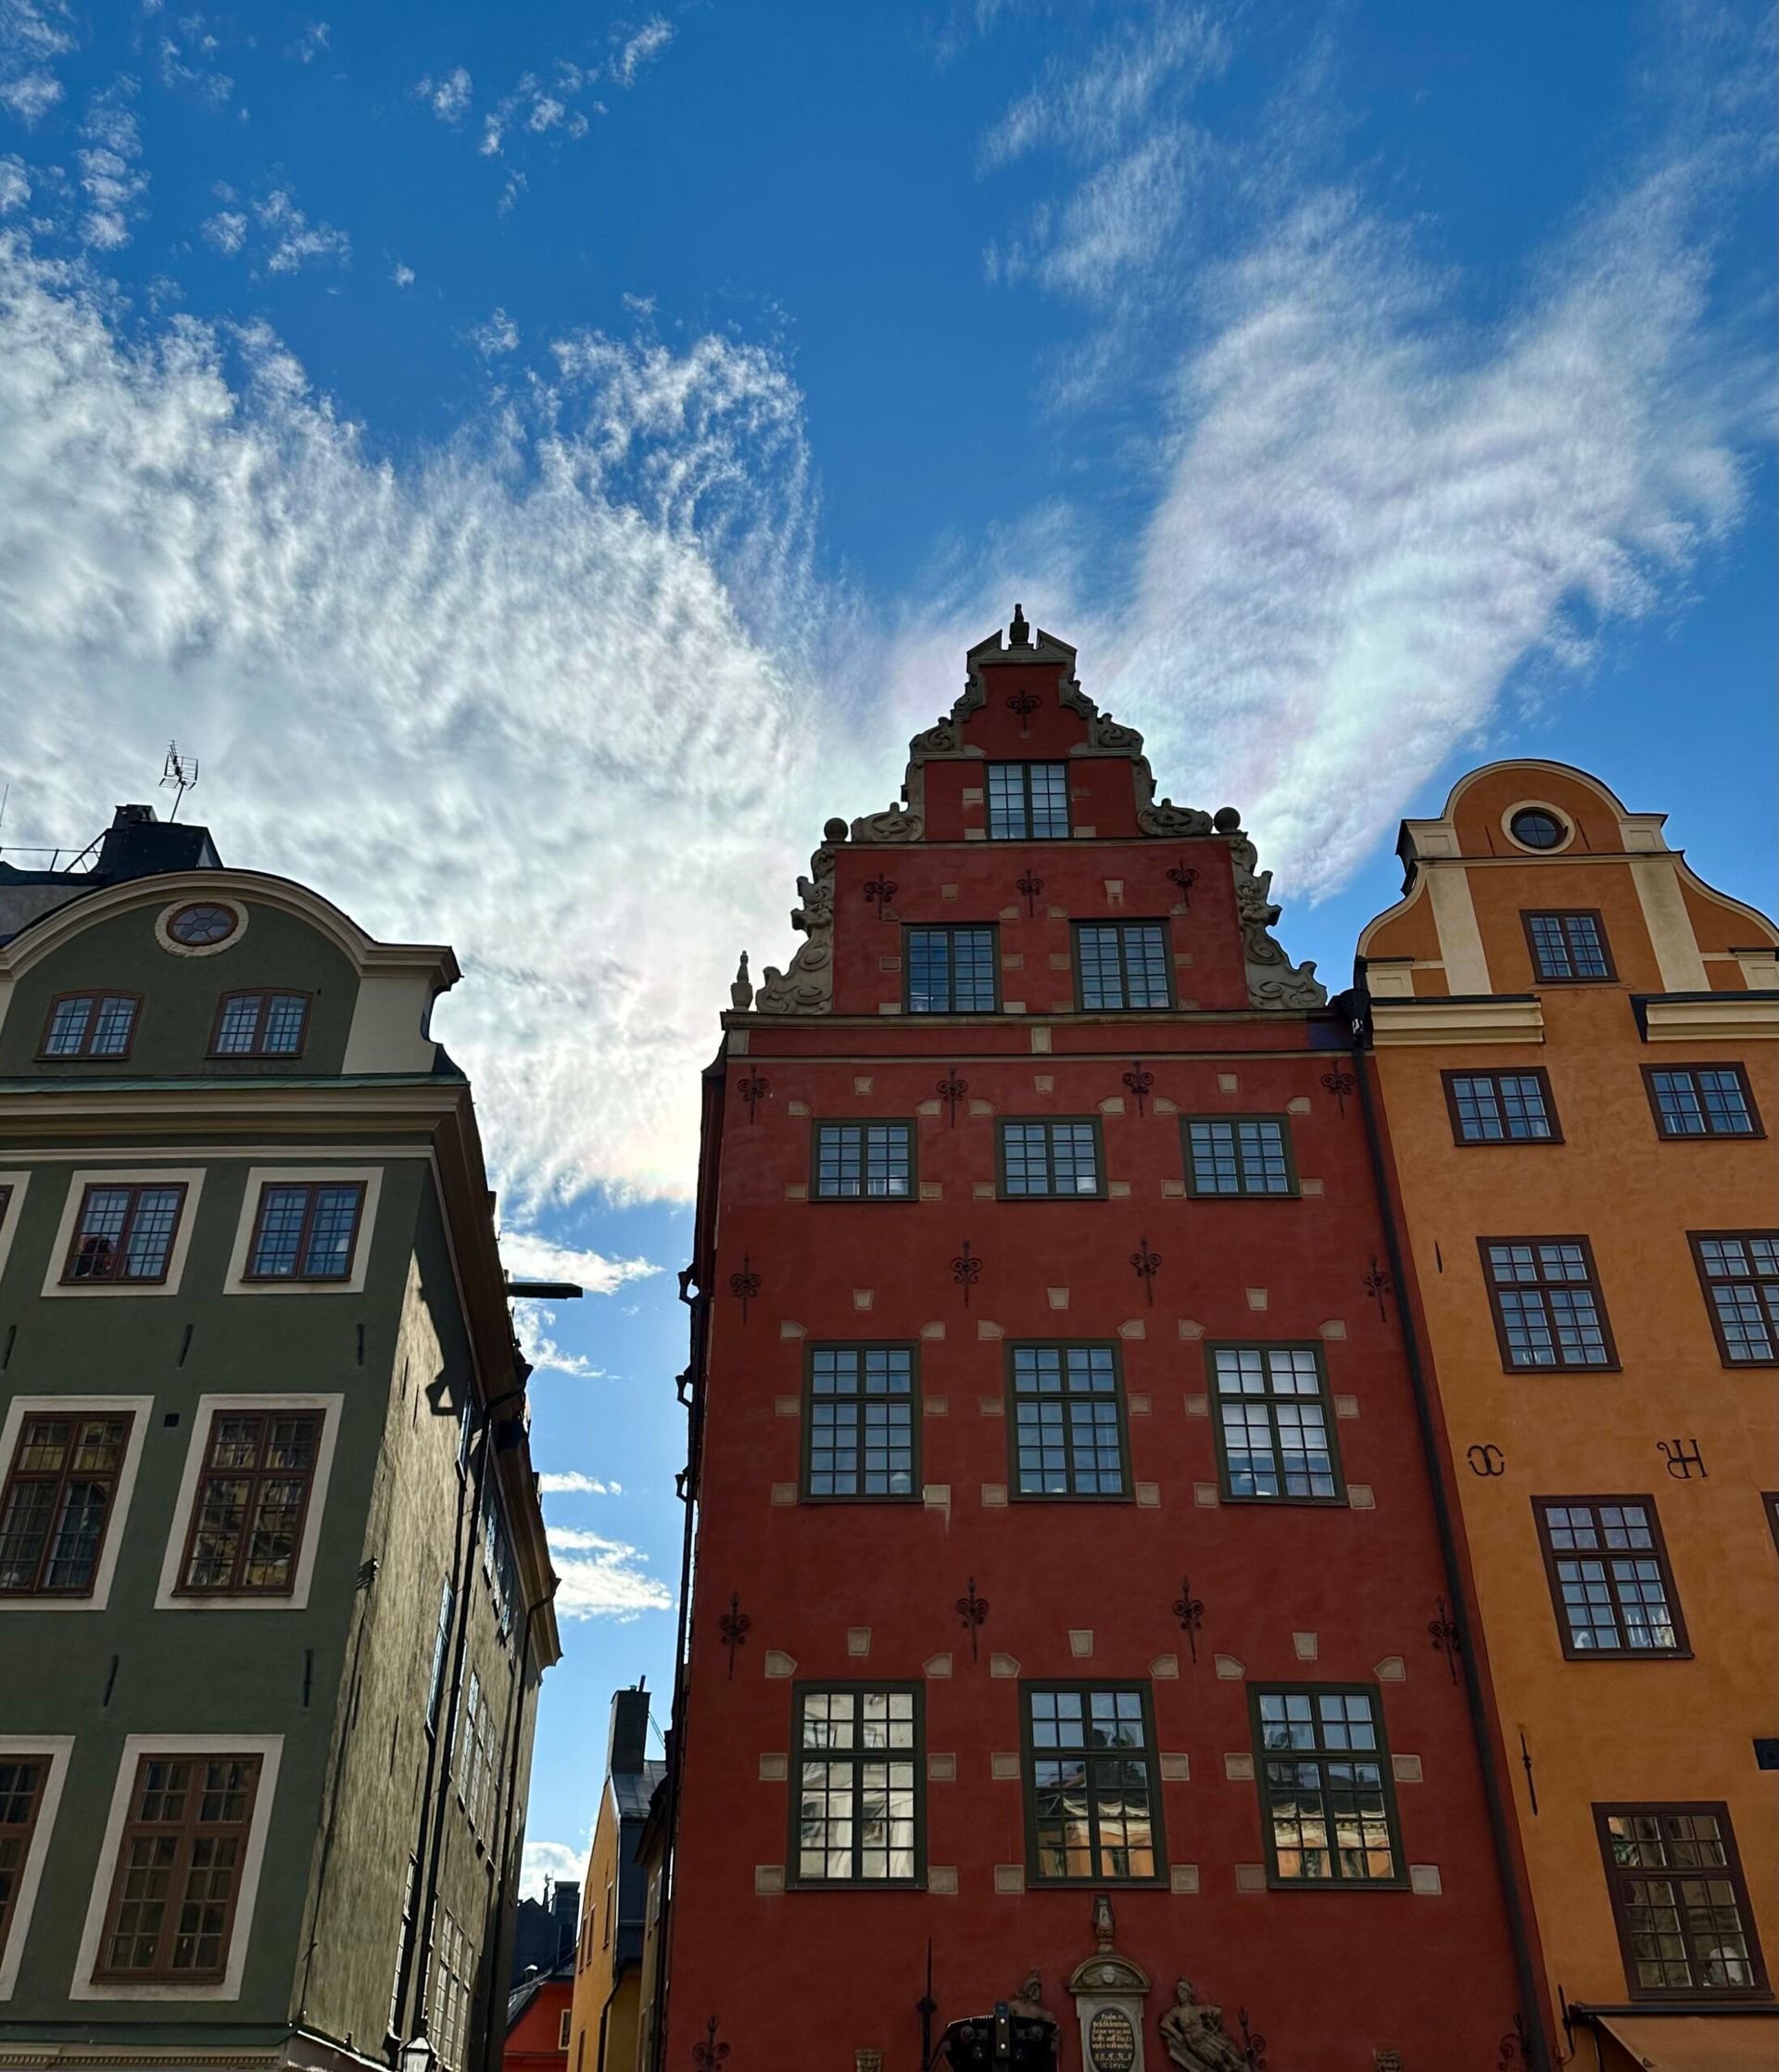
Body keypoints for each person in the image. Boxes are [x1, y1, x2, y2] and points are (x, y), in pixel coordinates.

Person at [1156, 1980, 1247, 2072]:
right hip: (1193, 2041)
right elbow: (1165, 2023)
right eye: (1179, 1993)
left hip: (1205, 2035)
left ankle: (1241, 2069)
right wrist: (1176, 2034)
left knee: (1225, 2052)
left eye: (1183, 1992)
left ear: (1188, 1994)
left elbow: (1215, 2011)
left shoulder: (1197, 2009)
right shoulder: (1176, 2012)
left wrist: (1215, 2011)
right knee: (1217, 2059)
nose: (1180, 1995)